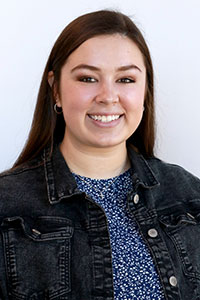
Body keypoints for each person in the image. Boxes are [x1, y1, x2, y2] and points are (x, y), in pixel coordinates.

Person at [0, 9, 199, 300]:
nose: (107, 96)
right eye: (88, 78)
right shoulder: (7, 204)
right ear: (55, 89)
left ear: (144, 92)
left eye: (126, 80)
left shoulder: (190, 196)